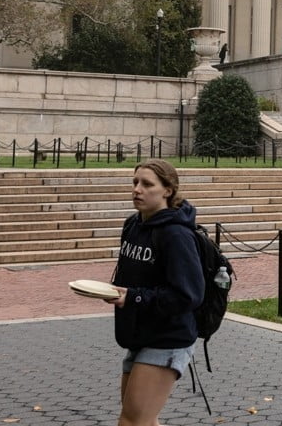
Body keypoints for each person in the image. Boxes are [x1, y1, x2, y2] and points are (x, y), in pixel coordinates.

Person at [109, 159, 204, 426]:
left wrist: (133, 297)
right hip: (140, 334)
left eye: (147, 184)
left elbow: (189, 295)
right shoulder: (133, 225)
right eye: (135, 182)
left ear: (168, 190)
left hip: (168, 337)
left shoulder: (176, 235)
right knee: (144, 420)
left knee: (131, 421)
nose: (137, 189)